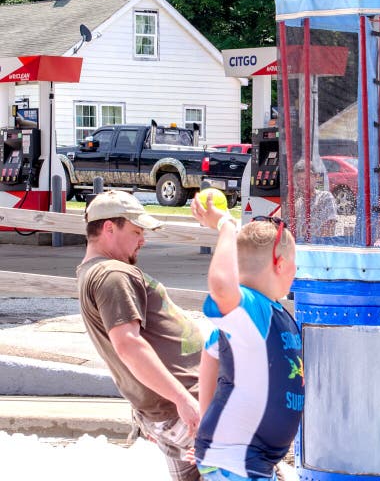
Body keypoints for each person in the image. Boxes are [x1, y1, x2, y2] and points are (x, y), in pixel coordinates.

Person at [77, 190, 204, 481]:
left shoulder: (94, 273)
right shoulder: (113, 274)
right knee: (256, 469)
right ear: (109, 227)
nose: (142, 240)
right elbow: (128, 345)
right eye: (136, 231)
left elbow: (119, 349)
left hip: (165, 410)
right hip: (184, 406)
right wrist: (183, 399)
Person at [191, 192, 304, 481]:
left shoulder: (264, 313)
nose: (296, 272)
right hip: (236, 460)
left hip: (247, 460)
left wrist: (207, 422)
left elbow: (211, 350)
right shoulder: (254, 310)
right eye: (295, 264)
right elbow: (221, 285)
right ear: (280, 264)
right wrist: (226, 225)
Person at [293, 160, 337, 239]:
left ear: (316, 177)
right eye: (299, 179)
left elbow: (330, 226)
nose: (303, 182)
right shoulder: (298, 203)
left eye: (307, 178)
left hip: (318, 247)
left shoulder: (325, 197)